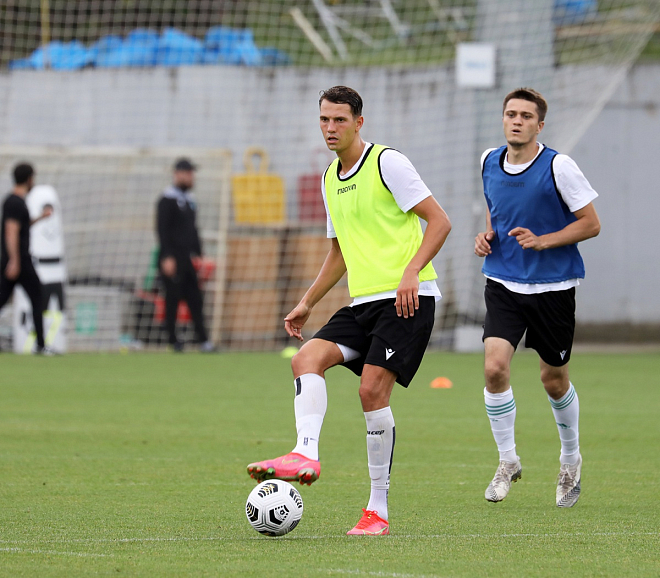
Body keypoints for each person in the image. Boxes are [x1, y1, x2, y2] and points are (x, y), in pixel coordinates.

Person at [247, 86, 452, 535]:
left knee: (371, 392)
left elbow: (440, 221)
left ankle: (377, 510)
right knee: (306, 359)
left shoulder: (387, 163)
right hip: (363, 302)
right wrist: (307, 302)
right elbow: (339, 252)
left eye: (339, 120)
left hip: (408, 299)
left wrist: (412, 270)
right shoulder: (329, 179)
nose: (330, 128)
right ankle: (304, 452)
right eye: (324, 119)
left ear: (359, 122)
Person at [474, 87, 601, 508]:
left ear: (539, 125)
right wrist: (487, 235)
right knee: (494, 368)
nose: (517, 121)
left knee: (554, 379)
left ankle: (570, 459)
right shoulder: (488, 160)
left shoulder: (559, 166)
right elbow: (495, 208)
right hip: (503, 282)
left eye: (526, 116)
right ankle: (507, 460)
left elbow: (591, 223)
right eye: (511, 114)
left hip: (553, 288)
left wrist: (544, 240)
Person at [156, 158, 214, 353]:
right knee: (172, 299)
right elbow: (162, 230)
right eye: (188, 173)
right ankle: (172, 340)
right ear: (178, 174)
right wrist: (167, 256)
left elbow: (192, 230)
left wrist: (199, 254)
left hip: (187, 259)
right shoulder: (166, 200)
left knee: (195, 299)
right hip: (172, 257)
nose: (191, 177)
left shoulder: (189, 201)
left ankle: (203, 340)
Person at [0, 163, 53, 354]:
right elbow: (11, 232)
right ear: (29, 178)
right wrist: (14, 260)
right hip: (18, 261)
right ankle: (40, 345)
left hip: (16, 260)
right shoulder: (14, 202)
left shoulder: (16, 202)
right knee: (38, 297)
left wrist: (40, 218)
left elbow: (21, 226)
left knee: (7, 298)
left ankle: (40, 344)